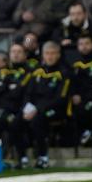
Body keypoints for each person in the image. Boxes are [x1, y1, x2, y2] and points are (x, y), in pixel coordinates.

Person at [21, 41, 70, 169]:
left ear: (58, 55)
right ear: (42, 55)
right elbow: (28, 92)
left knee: (38, 120)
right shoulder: (37, 71)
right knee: (16, 121)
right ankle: (22, 158)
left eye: (53, 53)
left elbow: (61, 98)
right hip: (35, 108)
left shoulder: (64, 72)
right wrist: (26, 107)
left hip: (55, 109)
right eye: (47, 53)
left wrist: (37, 109)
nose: (50, 56)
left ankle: (43, 157)